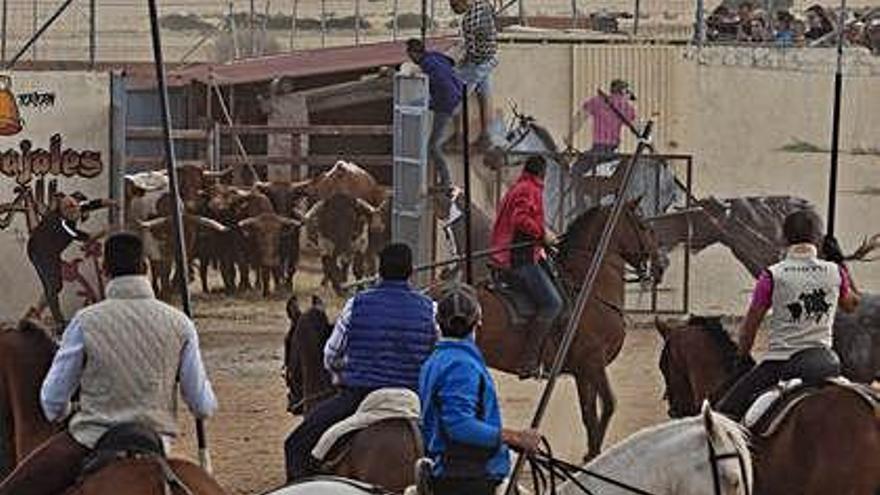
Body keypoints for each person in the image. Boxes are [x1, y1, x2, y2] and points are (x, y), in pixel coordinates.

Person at [0, 232, 217, 495]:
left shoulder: (85, 321)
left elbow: (52, 399)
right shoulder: (180, 323)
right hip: (156, 440)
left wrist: (66, 411)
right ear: (145, 267)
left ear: (105, 270)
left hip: (91, 438)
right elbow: (202, 404)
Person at [284, 243, 438, 481]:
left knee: (295, 446)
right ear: (411, 272)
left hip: (359, 395)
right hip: (415, 396)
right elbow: (436, 357)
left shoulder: (356, 304)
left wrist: (340, 376)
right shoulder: (431, 309)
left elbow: (331, 354)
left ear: (380, 270)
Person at [716, 210, 860, 421]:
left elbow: (750, 326)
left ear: (784, 238)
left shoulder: (773, 275)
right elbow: (851, 305)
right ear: (817, 238)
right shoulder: (835, 271)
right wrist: (840, 262)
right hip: (826, 362)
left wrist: (742, 355)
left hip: (781, 363)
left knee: (723, 414)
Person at [420, 284, 541, 495]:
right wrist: (515, 437)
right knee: (551, 303)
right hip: (469, 476)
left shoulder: (436, 360)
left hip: (454, 471)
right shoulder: (461, 365)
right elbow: (459, 425)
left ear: (438, 323)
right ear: (478, 322)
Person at [489, 156, 563, 379]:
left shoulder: (520, 187)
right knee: (552, 303)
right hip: (517, 258)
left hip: (521, 253)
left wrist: (545, 234)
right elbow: (520, 219)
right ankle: (529, 360)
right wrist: (543, 234)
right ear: (543, 173)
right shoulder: (529, 189)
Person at [27, 193, 113, 330]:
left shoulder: (73, 209)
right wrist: (107, 231)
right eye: (73, 211)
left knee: (55, 286)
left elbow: (92, 204)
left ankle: (36, 312)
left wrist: (111, 202)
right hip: (40, 251)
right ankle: (58, 321)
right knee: (53, 286)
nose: (78, 213)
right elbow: (88, 237)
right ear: (64, 212)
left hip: (48, 249)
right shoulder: (65, 226)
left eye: (77, 208)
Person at [568, 79, 637, 212]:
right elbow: (638, 129)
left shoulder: (596, 102)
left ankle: (580, 205)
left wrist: (569, 135)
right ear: (623, 92)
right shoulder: (626, 107)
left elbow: (579, 118)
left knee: (575, 170)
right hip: (613, 152)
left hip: (597, 149)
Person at [406, 38, 463, 192]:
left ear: (414, 53)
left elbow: (442, 88)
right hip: (457, 96)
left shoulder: (427, 65)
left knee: (433, 146)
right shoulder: (435, 56)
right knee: (414, 105)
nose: (409, 58)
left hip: (446, 104)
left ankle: (446, 180)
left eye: (410, 55)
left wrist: (430, 104)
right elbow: (450, 64)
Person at [450, 0, 498, 147]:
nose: (453, 9)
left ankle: (458, 137)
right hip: (492, 57)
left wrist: (461, 64)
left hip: (479, 63)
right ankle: (486, 136)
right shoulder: (484, 5)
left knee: (455, 94)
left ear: (462, 3)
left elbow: (472, 51)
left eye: (454, 6)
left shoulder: (468, 22)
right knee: (485, 96)